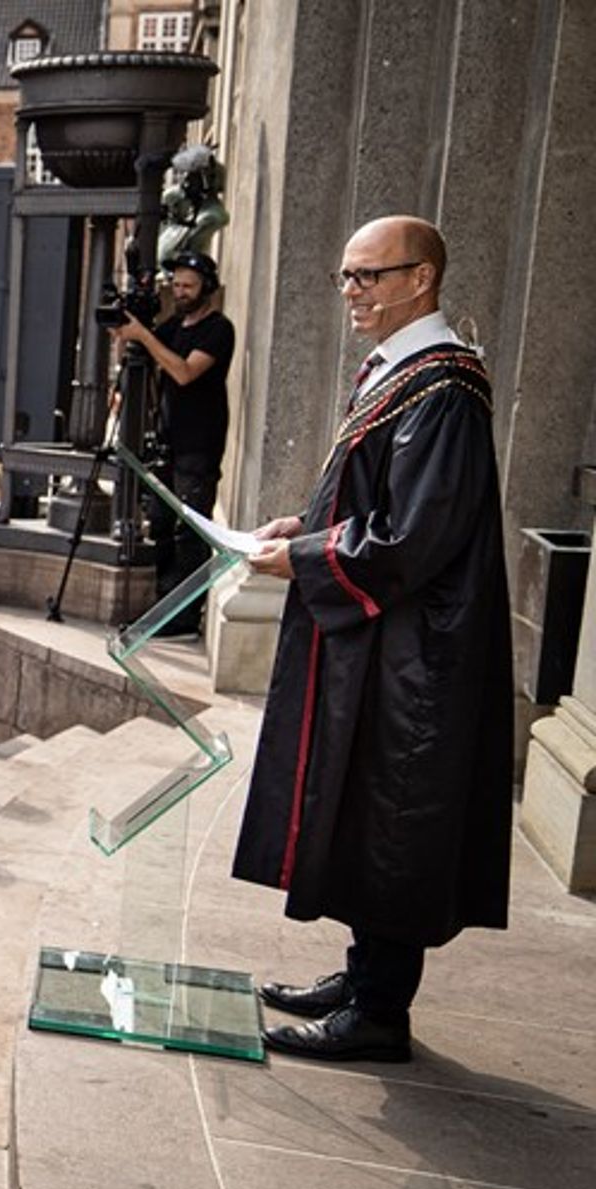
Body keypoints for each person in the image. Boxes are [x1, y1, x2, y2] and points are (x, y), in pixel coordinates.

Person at [237, 215, 511, 1063]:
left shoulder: (444, 386)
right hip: (384, 645)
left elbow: (417, 534)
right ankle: (362, 975)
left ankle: (381, 1009)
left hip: (417, 656)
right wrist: (311, 523)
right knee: (364, 806)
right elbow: (381, 501)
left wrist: (309, 555)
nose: (350, 292)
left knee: (396, 818)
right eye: (345, 276)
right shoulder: (404, 376)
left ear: (420, 278)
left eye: (368, 276)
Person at [116, 251, 236, 636]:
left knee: (190, 532)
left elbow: (184, 372)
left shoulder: (218, 329)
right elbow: (142, 346)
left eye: (189, 286)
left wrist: (144, 336)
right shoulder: (174, 325)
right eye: (177, 285)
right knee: (162, 524)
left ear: (207, 289)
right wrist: (127, 327)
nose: (181, 292)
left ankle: (185, 616)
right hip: (167, 443)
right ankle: (165, 606)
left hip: (198, 446)